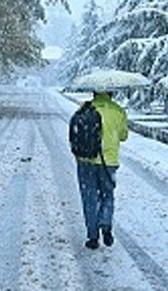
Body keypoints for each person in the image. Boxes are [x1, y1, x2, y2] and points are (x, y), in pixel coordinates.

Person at [76, 90, 128, 250]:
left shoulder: (84, 109)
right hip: (109, 162)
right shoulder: (118, 110)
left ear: (93, 92)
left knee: (89, 197)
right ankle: (105, 225)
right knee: (107, 195)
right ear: (112, 92)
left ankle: (92, 236)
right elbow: (123, 136)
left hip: (86, 160)